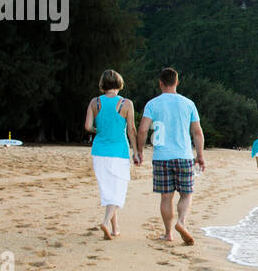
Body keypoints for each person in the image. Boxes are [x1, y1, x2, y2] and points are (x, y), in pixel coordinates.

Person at [136, 67, 204, 245]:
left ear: (160, 83)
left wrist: (139, 150)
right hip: (184, 155)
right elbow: (197, 132)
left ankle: (168, 233)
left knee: (166, 196)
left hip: (161, 157)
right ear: (177, 82)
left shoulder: (152, 104)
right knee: (186, 194)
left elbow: (143, 130)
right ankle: (181, 222)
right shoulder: (188, 103)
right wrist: (200, 155)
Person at [85, 69, 139, 239]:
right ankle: (106, 222)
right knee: (118, 190)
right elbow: (131, 129)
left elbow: (87, 126)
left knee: (109, 190)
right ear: (119, 83)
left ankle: (115, 229)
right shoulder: (126, 103)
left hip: (99, 151)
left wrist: (97, 130)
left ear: (103, 84)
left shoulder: (95, 102)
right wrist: (136, 151)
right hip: (119, 152)